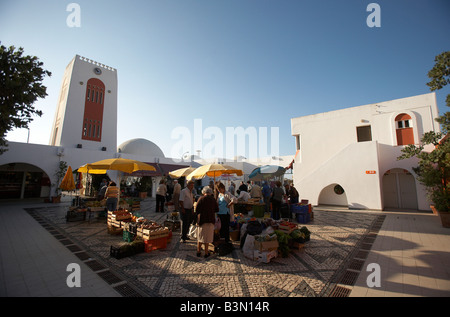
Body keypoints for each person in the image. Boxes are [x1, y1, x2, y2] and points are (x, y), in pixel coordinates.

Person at [195, 186, 218, 258]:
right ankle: (206, 252)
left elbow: (197, 210)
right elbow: (217, 209)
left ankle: (198, 251)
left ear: (204, 192)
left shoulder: (201, 199)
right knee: (207, 238)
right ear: (210, 192)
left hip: (202, 220)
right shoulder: (213, 199)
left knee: (200, 236)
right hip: (210, 220)